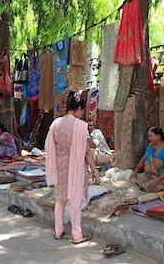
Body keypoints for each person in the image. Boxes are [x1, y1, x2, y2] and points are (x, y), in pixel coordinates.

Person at [45, 91, 99, 244]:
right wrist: (94, 170)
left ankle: (58, 231)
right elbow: (87, 152)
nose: (82, 115)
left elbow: (50, 146)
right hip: (75, 168)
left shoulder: (55, 123)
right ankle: (77, 235)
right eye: (82, 112)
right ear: (79, 109)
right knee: (75, 201)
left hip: (60, 166)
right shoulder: (80, 126)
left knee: (60, 199)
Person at [131, 127, 164, 193]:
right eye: (148, 136)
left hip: (163, 177)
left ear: (158, 136)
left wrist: (155, 182)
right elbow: (143, 159)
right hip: (150, 176)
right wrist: (135, 171)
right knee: (133, 180)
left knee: (149, 187)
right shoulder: (150, 146)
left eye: (150, 136)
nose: (149, 138)